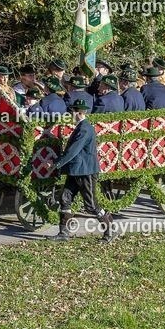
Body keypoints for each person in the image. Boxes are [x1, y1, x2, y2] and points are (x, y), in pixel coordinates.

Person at [43, 99, 115, 243]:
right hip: (76, 171)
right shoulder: (81, 127)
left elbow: (72, 151)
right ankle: (63, 233)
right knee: (65, 198)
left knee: (91, 205)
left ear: (78, 113)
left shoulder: (84, 129)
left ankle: (110, 231)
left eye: (73, 112)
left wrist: (56, 164)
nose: (71, 114)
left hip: (85, 172)